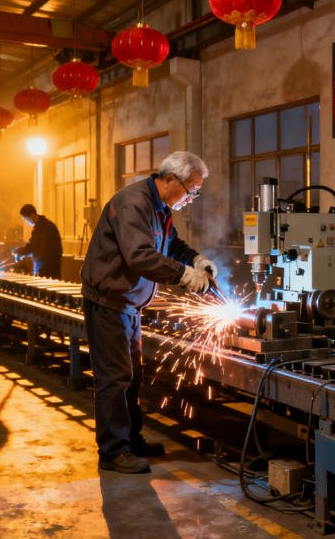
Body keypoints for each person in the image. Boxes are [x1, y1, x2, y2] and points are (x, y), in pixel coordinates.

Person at [82, 151, 219, 474]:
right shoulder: (134, 203)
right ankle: (113, 452)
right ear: (170, 178)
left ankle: (130, 439)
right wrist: (185, 276)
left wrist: (195, 260)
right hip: (108, 303)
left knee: (132, 377)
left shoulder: (159, 209)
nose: (192, 198)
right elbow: (140, 256)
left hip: (129, 305)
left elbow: (169, 245)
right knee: (115, 379)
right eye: (191, 190)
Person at [14, 204, 63, 279]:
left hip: (47, 269)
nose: (26, 221)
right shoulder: (45, 225)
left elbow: (33, 246)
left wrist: (19, 252)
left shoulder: (42, 228)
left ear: (32, 215)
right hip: (49, 267)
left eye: (25, 219)